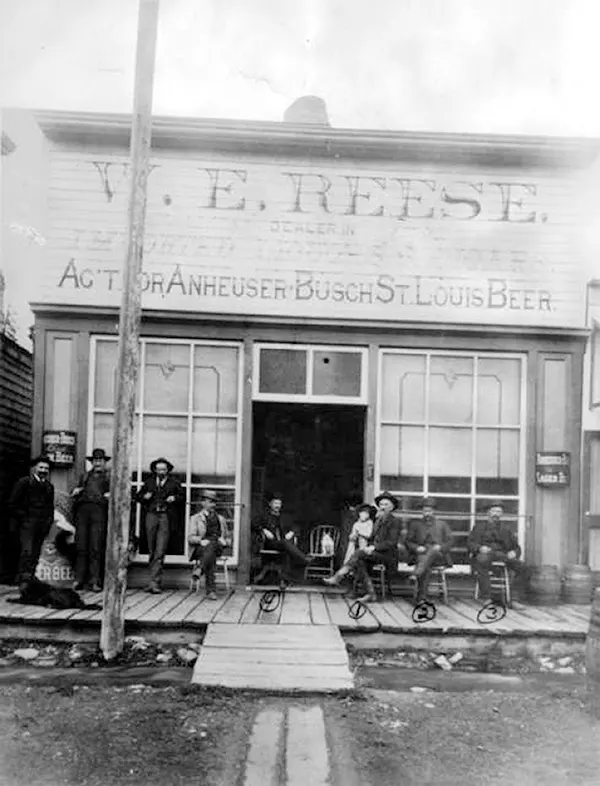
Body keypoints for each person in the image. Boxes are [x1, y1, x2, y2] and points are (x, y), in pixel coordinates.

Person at [323, 491, 404, 603]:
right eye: (381, 505)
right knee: (359, 561)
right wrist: (360, 538)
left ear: (392, 507)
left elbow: (391, 542)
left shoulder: (395, 521)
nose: (383, 507)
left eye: (386, 505)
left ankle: (339, 575)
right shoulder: (377, 520)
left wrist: (373, 548)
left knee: (359, 553)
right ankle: (371, 594)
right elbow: (371, 538)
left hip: (388, 556)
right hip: (376, 554)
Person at [135, 457, 183, 594]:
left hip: (165, 517)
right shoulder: (149, 482)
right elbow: (138, 496)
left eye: (164, 469)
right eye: (158, 469)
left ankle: (155, 583)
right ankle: (152, 581)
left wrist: (174, 498)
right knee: (151, 549)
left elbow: (182, 497)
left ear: (168, 470)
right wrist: (145, 497)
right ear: (155, 470)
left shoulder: (174, 483)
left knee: (160, 550)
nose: (161, 471)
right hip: (151, 515)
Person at [8, 456, 55, 591]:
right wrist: (24, 517)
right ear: (34, 468)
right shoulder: (24, 482)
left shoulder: (49, 486)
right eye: (41, 467)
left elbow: (50, 508)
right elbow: (12, 504)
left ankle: (31, 577)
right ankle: (23, 579)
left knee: (35, 552)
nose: (43, 470)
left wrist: (48, 522)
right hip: (27, 525)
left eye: (46, 468)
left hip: (41, 525)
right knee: (27, 551)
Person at [468, 499, 523, 604]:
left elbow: (516, 547)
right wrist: (480, 548)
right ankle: (487, 597)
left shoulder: (506, 529)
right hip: (485, 554)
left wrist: (514, 553)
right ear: (488, 513)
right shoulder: (479, 527)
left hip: (502, 555)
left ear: (502, 514)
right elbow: (470, 543)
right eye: (494, 511)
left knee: (521, 566)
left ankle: (514, 600)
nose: (496, 514)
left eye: (498, 512)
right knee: (481, 561)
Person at [71, 447, 110, 592]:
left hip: (99, 512)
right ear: (92, 462)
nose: (98, 463)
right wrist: (75, 492)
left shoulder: (108, 478)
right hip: (83, 512)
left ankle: (95, 580)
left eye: (100, 460)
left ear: (104, 462)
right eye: (95, 460)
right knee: (81, 546)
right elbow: (76, 491)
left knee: (96, 546)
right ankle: (79, 579)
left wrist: (109, 496)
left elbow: (116, 496)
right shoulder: (85, 476)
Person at [251, 492, 311, 583]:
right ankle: (304, 559)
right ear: (270, 504)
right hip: (270, 543)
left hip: (283, 543)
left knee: (286, 543)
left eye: (279, 504)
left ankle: (288, 574)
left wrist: (292, 532)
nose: (277, 506)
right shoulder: (264, 516)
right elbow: (253, 524)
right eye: (275, 503)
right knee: (285, 543)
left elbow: (296, 526)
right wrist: (264, 530)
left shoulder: (285, 517)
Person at [406, 497, 454, 603]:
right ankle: (422, 598)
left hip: (439, 556)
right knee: (425, 564)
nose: (427, 513)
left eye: (430, 511)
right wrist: (417, 547)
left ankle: (416, 573)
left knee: (432, 551)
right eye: (425, 511)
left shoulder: (442, 524)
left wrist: (440, 547)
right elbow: (408, 542)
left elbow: (450, 541)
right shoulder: (415, 524)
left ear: (434, 511)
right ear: (422, 512)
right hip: (421, 555)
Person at [188, 489, 229, 600]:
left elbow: (228, 538)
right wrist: (201, 540)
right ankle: (210, 591)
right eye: (210, 502)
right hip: (201, 548)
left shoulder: (221, 519)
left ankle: (200, 569)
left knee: (212, 546)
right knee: (210, 552)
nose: (213, 505)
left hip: (217, 546)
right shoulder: (195, 518)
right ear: (203, 503)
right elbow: (190, 538)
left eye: (214, 502)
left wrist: (224, 540)